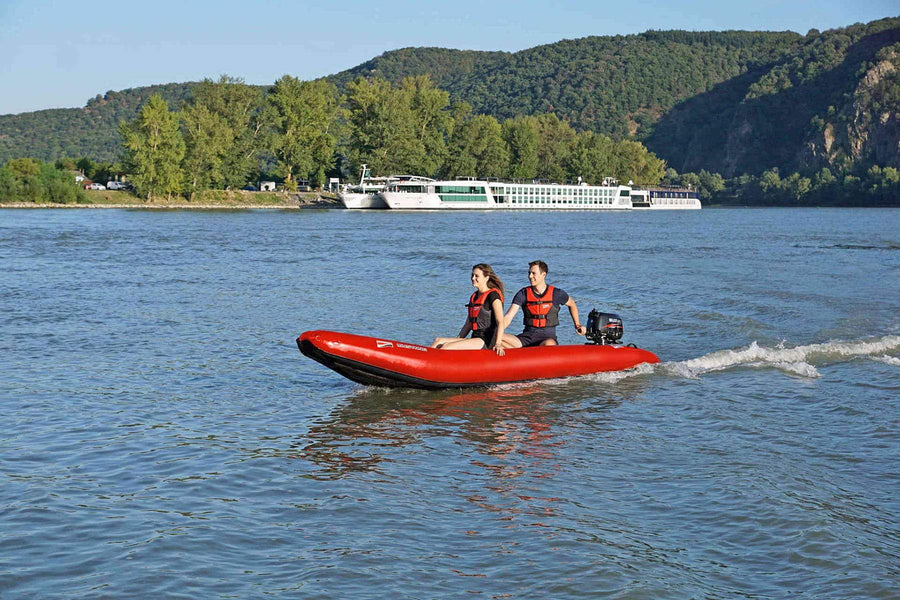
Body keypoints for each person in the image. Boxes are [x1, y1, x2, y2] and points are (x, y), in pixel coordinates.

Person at [501, 260, 586, 348]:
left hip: (547, 339)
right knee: (497, 337)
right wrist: (497, 331)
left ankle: (536, 356)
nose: (530, 276)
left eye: (533, 273)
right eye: (529, 273)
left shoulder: (557, 294)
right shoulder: (523, 294)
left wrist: (577, 324)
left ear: (543, 275)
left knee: (549, 344)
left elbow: (572, 304)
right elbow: (508, 317)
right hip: (526, 339)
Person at [432, 263, 507, 355]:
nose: (473, 278)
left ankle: (434, 365)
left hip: (486, 340)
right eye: (472, 275)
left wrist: (498, 344)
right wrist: (458, 340)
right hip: (475, 338)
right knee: (438, 341)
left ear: (486, 278)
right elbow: (468, 325)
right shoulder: (475, 297)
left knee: (446, 347)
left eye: (476, 276)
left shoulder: (493, 296)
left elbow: (500, 322)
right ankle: (425, 360)